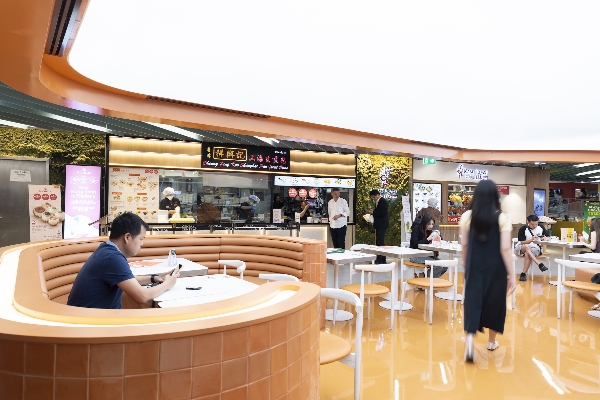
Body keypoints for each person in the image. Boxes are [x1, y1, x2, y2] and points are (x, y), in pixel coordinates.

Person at [67, 212, 179, 309]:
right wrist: (168, 284)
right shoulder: (112, 258)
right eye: (141, 239)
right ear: (127, 237)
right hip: (91, 321)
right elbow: (142, 296)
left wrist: (154, 278)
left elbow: (126, 279)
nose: (142, 244)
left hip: (93, 316)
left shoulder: (107, 249)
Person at [459, 179, 515, 362]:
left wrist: (466, 263)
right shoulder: (503, 217)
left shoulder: (467, 216)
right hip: (496, 268)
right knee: (495, 303)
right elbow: (505, 248)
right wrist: (512, 274)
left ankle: (469, 342)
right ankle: (491, 342)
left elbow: (464, 244)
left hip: (474, 265)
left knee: (472, 301)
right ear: (494, 196)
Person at [409, 214, 447, 278]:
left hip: (426, 255)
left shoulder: (430, 231)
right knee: (438, 266)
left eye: (432, 224)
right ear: (424, 222)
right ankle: (427, 281)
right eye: (429, 224)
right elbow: (414, 244)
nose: (431, 226)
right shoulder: (416, 229)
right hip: (415, 256)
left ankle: (423, 277)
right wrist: (427, 239)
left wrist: (438, 236)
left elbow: (439, 242)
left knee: (444, 266)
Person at [515, 214, 549, 281]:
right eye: (532, 224)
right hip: (522, 247)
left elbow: (548, 237)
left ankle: (523, 274)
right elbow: (521, 242)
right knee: (527, 246)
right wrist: (531, 240)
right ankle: (539, 264)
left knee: (527, 254)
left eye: (536, 224)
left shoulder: (541, 227)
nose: (535, 226)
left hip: (535, 248)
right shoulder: (523, 229)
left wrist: (545, 238)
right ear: (528, 222)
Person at [367, 189, 389, 264]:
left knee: (380, 242)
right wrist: (373, 212)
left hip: (382, 224)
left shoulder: (383, 201)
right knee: (378, 242)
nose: (373, 199)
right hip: (379, 224)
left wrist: (373, 212)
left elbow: (383, 213)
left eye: (374, 197)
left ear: (377, 195)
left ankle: (382, 259)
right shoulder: (378, 202)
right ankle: (379, 258)